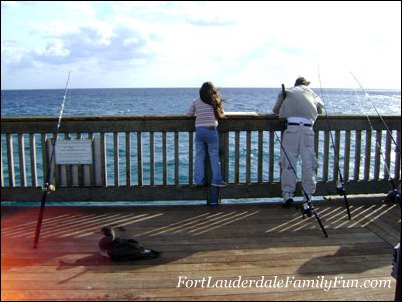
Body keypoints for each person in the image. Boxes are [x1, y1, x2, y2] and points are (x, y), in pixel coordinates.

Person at [272, 76, 324, 213]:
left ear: (295, 84)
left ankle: (287, 194)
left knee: (288, 162)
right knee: (308, 163)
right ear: (306, 84)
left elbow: (275, 111)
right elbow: (320, 109)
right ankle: (308, 196)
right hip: (308, 129)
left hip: (291, 129)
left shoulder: (286, 92)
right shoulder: (312, 93)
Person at [187, 82, 227, 187]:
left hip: (199, 130)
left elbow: (189, 114)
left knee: (199, 157)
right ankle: (216, 181)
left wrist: (198, 113)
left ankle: (199, 181)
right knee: (214, 157)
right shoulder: (214, 101)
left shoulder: (196, 101)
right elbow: (222, 113)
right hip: (211, 130)